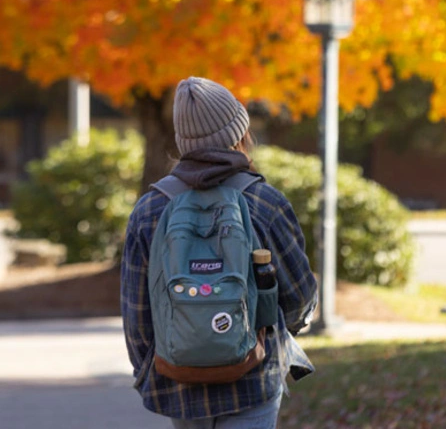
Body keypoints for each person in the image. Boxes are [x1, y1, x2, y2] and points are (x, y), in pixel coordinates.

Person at [122, 76, 318, 428]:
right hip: (253, 380)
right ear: (239, 134)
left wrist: (151, 369)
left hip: (178, 382)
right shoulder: (265, 202)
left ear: (184, 141)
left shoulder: (150, 209)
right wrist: (273, 335)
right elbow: (300, 297)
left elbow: (137, 313)